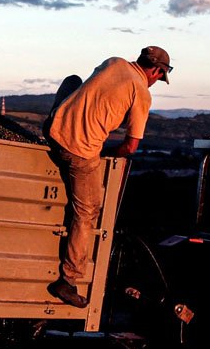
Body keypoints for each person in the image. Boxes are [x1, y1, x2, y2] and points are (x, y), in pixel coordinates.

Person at [44, 46, 172, 308]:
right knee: (89, 210)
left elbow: (96, 96)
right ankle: (68, 280)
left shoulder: (113, 62)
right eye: (160, 76)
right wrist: (104, 153)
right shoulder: (142, 93)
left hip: (54, 128)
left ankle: (54, 122)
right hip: (78, 152)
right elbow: (130, 147)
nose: (157, 81)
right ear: (157, 70)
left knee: (73, 81)